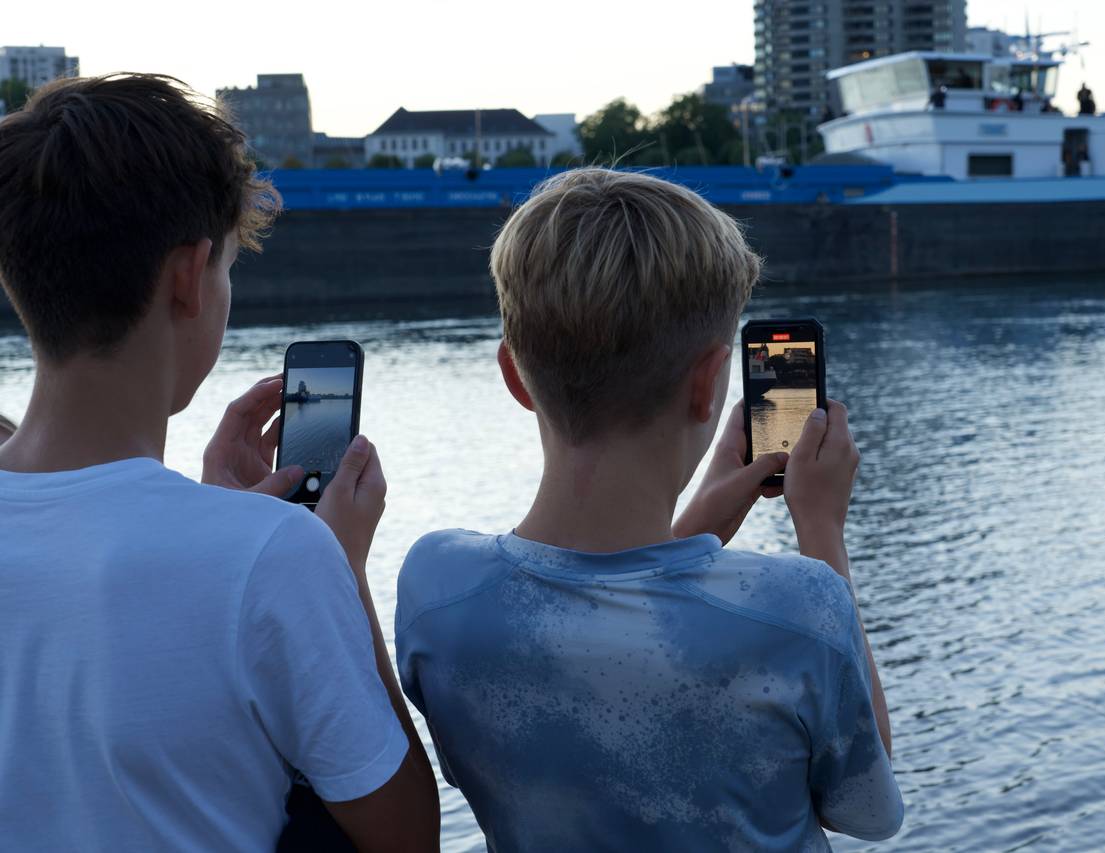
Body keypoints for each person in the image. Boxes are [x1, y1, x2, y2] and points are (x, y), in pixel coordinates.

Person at [396, 168, 903, 850]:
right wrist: (821, 529)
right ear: (709, 385)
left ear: (515, 376)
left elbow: (604, 607)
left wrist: (701, 521)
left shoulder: (437, 586)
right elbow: (867, 809)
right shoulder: (800, 608)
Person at [0, 74, 439, 850]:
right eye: (228, 266)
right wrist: (338, 566)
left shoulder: (250, 548)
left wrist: (216, 520)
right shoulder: (276, 554)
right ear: (187, 278)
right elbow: (405, 836)